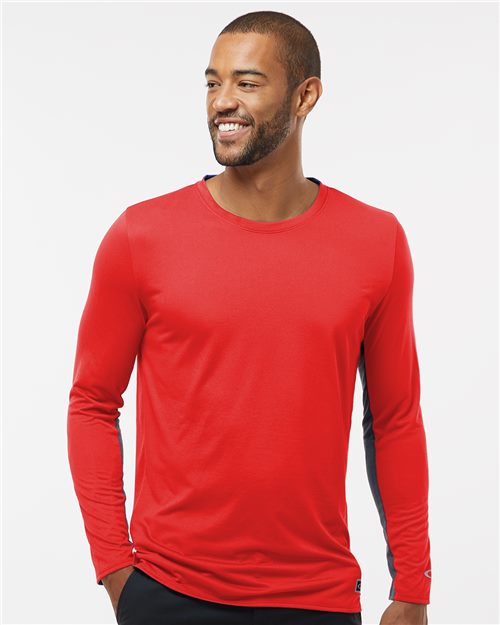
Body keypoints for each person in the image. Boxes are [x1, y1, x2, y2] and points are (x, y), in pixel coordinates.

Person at [67, 10, 431, 625]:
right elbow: (93, 403)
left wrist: (413, 584)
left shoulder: (376, 241)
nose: (222, 102)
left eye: (247, 82)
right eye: (213, 83)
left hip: (316, 597)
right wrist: (114, 568)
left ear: (305, 96)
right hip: (167, 591)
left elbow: (394, 420)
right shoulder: (141, 236)